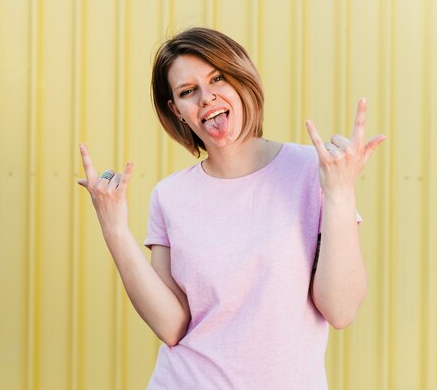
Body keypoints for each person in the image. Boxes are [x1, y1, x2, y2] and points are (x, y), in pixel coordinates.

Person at [77, 27, 385, 389]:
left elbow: (341, 309)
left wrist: (341, 192)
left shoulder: (314, 172)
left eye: (217, 78)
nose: (206, 98)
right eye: (188, 92)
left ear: (241, 81)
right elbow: (172, 327)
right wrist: (114, 227)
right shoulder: (170, 196)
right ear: (178, 111)